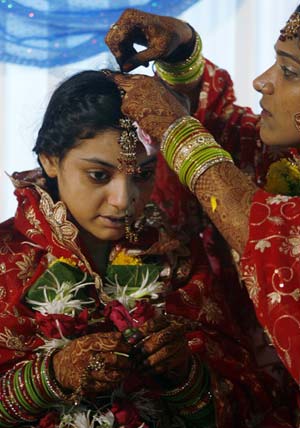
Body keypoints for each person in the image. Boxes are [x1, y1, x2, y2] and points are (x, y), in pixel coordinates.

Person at [0, 69, 294, 427]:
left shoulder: (175, 258)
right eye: (99, 175)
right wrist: (48, 379)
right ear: (49, 159)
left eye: (142, 174)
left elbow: (244, 402)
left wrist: (185, 377)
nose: (124, 201)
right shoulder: (9, 258)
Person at [104, 3, 300, 411]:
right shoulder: (282, 158)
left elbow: (280, 245)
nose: (262, 81)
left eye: (291, 71)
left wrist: (175, 130)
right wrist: (181, 50)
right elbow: (224, 135)